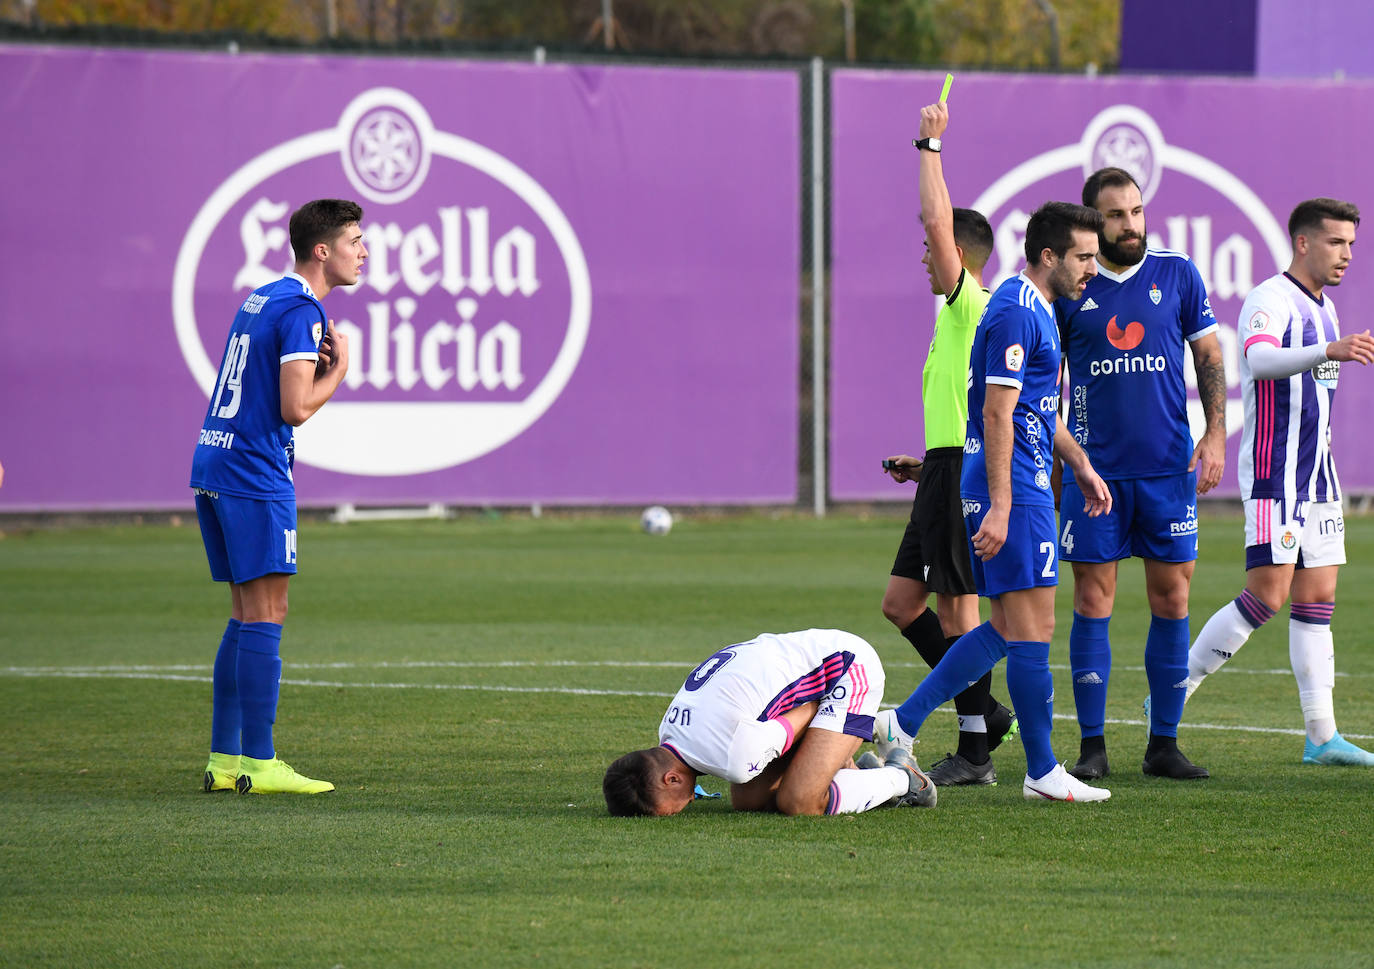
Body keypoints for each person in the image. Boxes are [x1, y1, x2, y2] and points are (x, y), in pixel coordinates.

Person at [880, 201, 1115, 803]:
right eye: (1084, 257)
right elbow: (996, 411)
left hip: (1023, 484)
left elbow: (1035, 407)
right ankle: (1041, 770)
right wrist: (1005, 504)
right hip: (1014, 489)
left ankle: (901, 721)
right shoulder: (1015, 309)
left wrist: (1081, 463)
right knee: (1029, 626)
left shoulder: (1035, 308)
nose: (1094, 268)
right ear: (1048, 256)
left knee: (1011, 628)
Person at [1184, 198, 1374, 766]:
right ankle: (1171, 699)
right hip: (1275, 474)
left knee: (1317, 603)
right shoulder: (1270, 298)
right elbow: (1259, 362)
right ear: (1303, 242)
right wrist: (1329, 349)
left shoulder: (1328, 308)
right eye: (1337, 242)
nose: (1347, 254)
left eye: (1351, 244)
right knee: (1267, 597)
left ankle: (1321, 737)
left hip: (1319, 477)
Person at [1052, 167, 1227, 782]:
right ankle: (1092, 744)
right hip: (1094, 475)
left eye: (1137, 211)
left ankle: (1164, 744)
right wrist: (1062, 463)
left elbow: (1208, 355)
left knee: (1172, 598)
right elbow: (1045, 385)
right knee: (1093, 600)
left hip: (1166, 473)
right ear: (1092, 223)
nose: (1131, 224)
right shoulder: (1075, 286)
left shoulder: (1178, 272)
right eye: (1116, 215)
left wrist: (1213, 434)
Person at [190, 198, 366, 795]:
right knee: (267, 613)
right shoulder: (302, 311)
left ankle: (224, 761)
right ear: (323, 250)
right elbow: (294, 408)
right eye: (354, 240)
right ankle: (261, 764)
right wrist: (337, 375)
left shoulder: (263, 296)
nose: (363, 252)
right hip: (253, 472)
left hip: (215, 458)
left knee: (244, 614)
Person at [881, 100, 1017, 787]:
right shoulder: (954, 320)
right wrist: (925, 456)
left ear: (958, 257)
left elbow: (937, 220)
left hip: (961, 475)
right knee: (902, 605)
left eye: (934, 252)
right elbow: (957, 409)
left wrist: (928, 147)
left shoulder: (972, 303)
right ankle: (985, 708)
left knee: (959, 610)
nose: (925, 259)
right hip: (941, 467)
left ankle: (975, 751)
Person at [602, 629, 936, 817]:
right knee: (749, 802)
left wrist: (836, 731)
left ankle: (903, 778)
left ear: (670, 777)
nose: (682, 809)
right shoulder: (671, 731)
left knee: (799, 802)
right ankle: (849, 769)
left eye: (669, 811)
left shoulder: (732, 755)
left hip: (847, 669)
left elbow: (804, 713)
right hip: (815, 655)